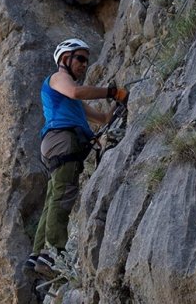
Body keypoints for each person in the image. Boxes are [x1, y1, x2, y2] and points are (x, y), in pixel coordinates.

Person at [24, 38, 129, 278]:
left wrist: (122, 102)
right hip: (62, 140)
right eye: (80, 58)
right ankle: (54, 253)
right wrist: (112, 92)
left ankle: (37, 254)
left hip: (57, 144)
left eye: (86, 60)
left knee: (54, 195)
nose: (84, 64)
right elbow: (75, 90)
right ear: (65, 60)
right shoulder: (59, 78)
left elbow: (103, 119)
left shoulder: (72, 102)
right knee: (62, 194)